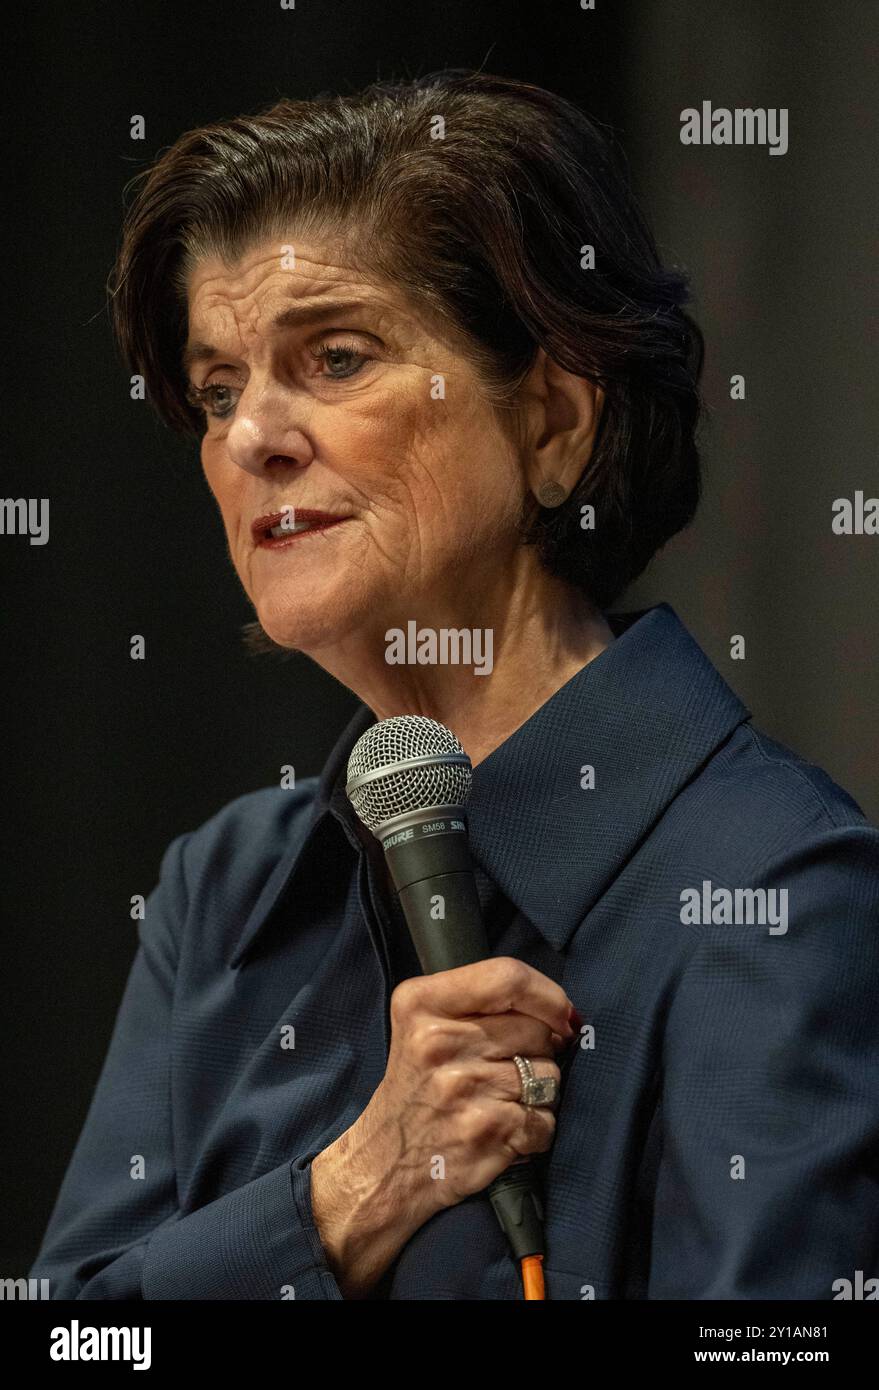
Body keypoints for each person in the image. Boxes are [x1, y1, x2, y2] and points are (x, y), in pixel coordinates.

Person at [31, 69, 879, 1300]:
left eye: (332, 357)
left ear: (554, 423)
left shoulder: (771, 891)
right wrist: (350, 1194)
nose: (249, 436)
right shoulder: (225, 888)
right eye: (218, 390)